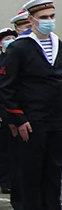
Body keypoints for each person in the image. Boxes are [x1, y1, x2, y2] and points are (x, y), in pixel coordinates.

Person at [0, 0, 62, 210]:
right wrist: (18, 118)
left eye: (52, 16)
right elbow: (7, 86)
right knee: (32, 174)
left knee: (53, 173)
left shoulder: (59, 44)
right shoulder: (19, 47)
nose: (49, 21)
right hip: (32, 120)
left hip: (55, 119)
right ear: (31, 19)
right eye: (43, 17)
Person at [3, 10, 31, 210]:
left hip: (35, 114)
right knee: (17, 159)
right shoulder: (11, 54)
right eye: (24, 27)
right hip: (15, 114)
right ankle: (19, 199)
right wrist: (11, 117)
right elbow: (6, 89)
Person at [0, 26, 17, 194]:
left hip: (17, 109)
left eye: (12, 38)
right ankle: (5, 181)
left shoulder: (17, 58)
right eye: (6, 39)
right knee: (5, 148)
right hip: (3, 110)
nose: (10, 41)